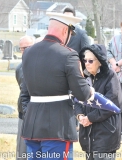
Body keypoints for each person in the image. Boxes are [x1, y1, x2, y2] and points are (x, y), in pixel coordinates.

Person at [20, 12, 95, 160]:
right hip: (57, 127)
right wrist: (90, 91)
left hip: (32, 125)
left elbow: (26, 88)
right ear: (65, 31)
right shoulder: (68, 55)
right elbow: (82, 93)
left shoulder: (28, 52)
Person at [74, 44, 122, 160]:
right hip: (87, 134)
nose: (87, 63)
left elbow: (111, 103)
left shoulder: (110, 76)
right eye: (85, 60)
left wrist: (89, 118)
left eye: (90, 61)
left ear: (100, 61)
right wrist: (80, 116)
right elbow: (77, 99)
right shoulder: (84, 77)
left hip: (105, 134)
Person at [15, 35, 34, 160]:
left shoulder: (41, 65)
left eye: (28, 47)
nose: (25, 51)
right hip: (23, 112)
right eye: (22, 48)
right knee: (22, 152)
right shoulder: (19, 68)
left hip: (38, 112)